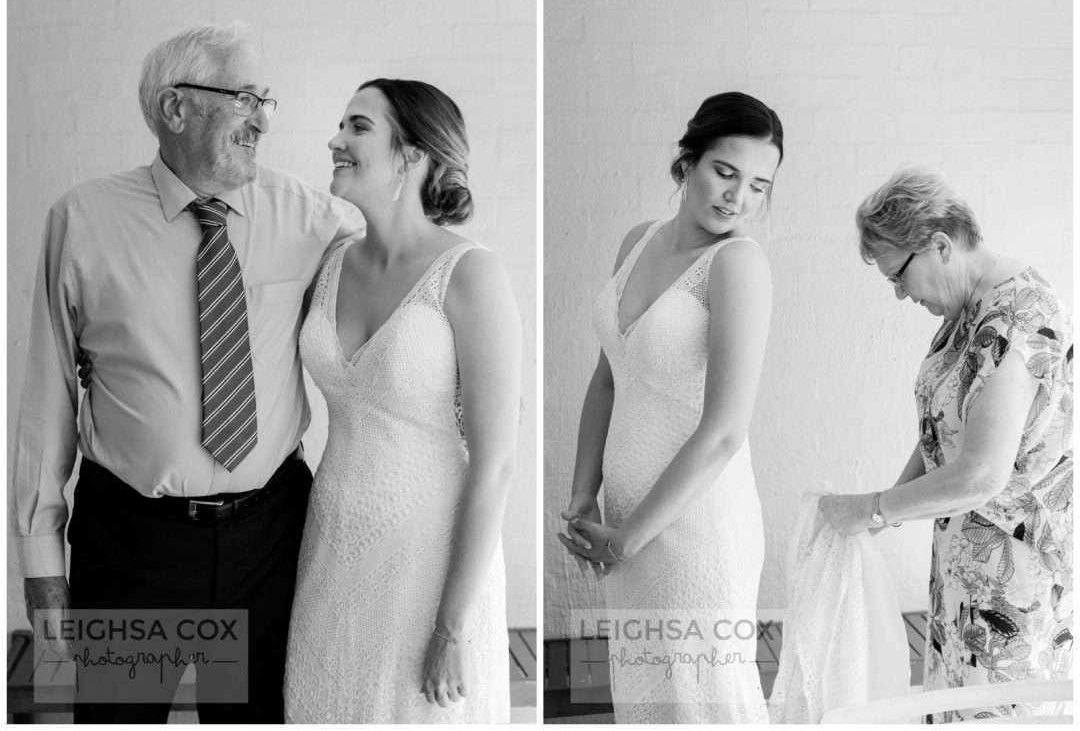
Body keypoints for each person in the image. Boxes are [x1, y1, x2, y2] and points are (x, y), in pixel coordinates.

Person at [10, 22, 360, 723]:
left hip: (272, 540)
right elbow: (47, 413)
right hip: (137, 547)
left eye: (267, 99)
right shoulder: (82, 221)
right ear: (175, 109)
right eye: (243, 97)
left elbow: (406, 259)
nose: (262, 118)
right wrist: (45, 588)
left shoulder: (311, 217)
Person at [283, 79, 519, 723]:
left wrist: (451, 628)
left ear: (412, 155)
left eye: (358, 126)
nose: (335, 139)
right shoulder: (330, 264)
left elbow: (495, 463)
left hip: (430, 554)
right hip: (331, 543)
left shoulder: (471, 273)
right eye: (340, 125)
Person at [557, 91, 783, 723]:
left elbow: (724, 433)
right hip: (623, 521)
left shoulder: (737, 264)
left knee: (705, 702)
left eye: (759, 186)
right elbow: (607, 380)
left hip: (696, 527)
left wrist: (628, 539)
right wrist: (582, 495)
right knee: (648, 700)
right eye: (726, 172)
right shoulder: (638, 240)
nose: (738, 197)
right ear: (687, 162)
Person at [820, 167, 1073, 722]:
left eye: (898, 277)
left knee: (995, 715)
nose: (898, 294)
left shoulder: (1018, 318)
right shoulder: (967, 310)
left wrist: (873, 508)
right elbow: (941, 436)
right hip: (963, 568)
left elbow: (980, 472)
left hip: (1012, 580)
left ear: (939, 245)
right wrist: (883, 508)